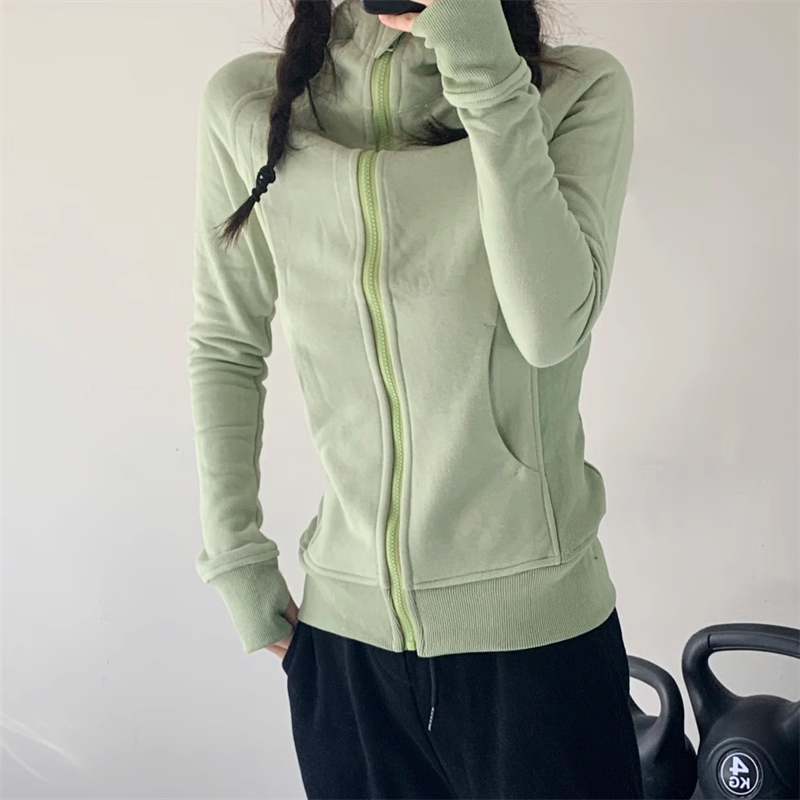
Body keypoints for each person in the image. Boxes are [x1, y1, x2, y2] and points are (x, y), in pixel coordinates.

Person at [187, 0, 639, 796]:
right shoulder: (250, 106)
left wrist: (484, 66)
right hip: (344, 652)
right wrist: (236, 560)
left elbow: (549, 329)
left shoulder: (575, 91)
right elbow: (227, 343)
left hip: (537, 648)